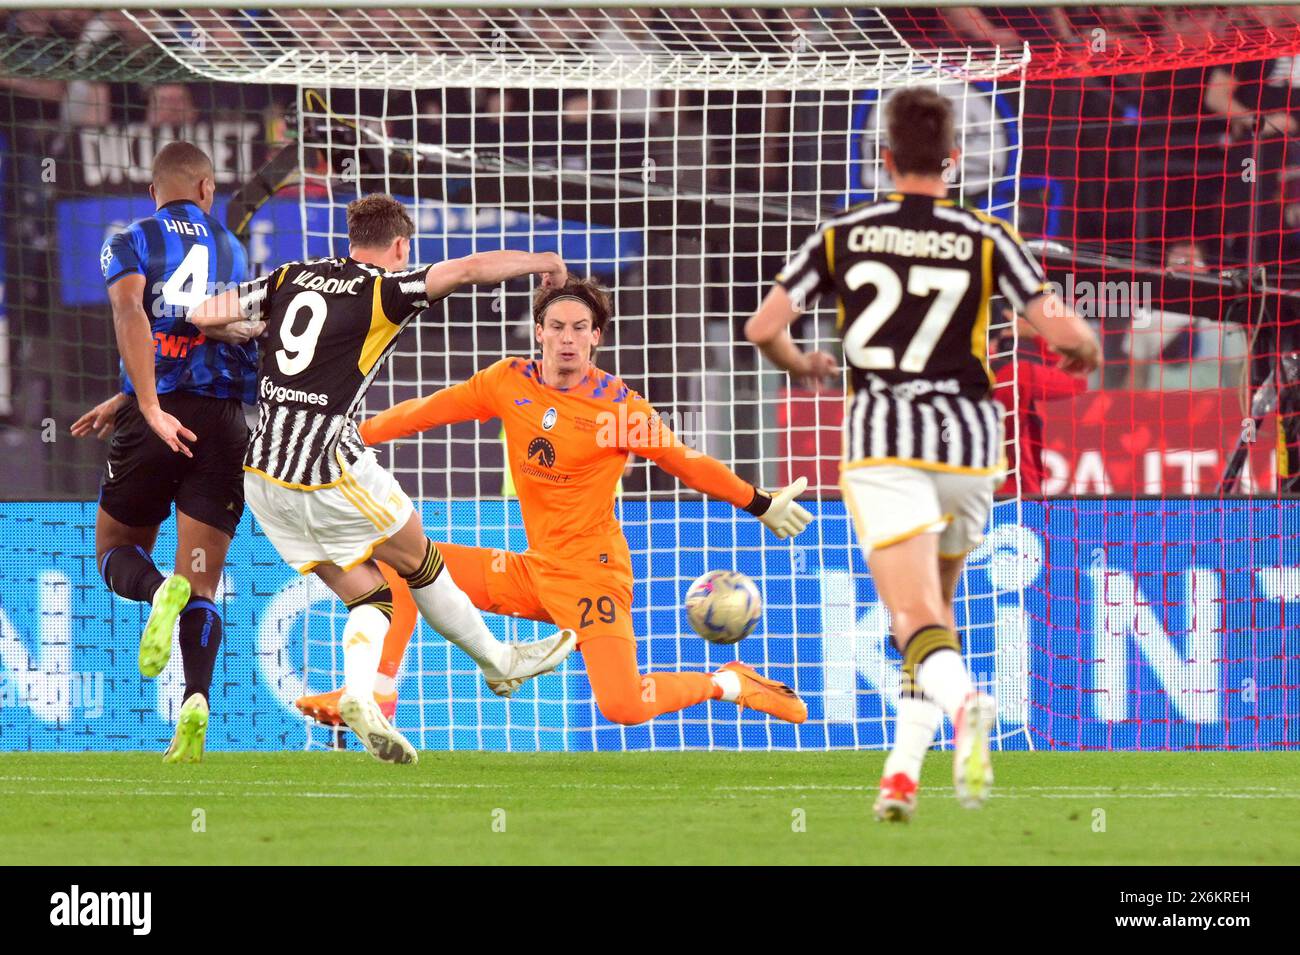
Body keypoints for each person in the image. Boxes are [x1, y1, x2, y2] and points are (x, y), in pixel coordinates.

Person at [744, 88, 1100, 821]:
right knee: (936, 610)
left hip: (886, 441)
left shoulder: (845, 232)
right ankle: (902, 774)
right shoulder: (986, 233)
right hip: (971, 446)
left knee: (910, 614)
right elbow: (1065, 334)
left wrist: (801, 360)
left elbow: (763, 325)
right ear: (953, 159)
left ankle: (968, 702)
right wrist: (1083, 350)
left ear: (882, 159)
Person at [296, 275, 814, 730]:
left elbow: (686, 462)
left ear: (596, 338)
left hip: (593, 576)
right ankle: (379, 693)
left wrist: (759, 502)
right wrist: (352, 434)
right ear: (539, 331)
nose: (568, 338)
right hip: (531, 569)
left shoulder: (619, 407)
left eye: (580, 328)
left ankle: (727, 682)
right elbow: (428, 411)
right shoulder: (506, 382)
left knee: (624, 706)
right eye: (558, 326)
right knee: (402, 562)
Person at [189, 194, 578, 763]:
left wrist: (251, 333)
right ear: (400, 246)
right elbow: (468, 270)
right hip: (325, 469)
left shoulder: (290, 276)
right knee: (419, 560)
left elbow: (203, 314)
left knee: (372, 595)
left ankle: (359, 694)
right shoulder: (385, 289)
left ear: (353, 238)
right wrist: (541, 259)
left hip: (263, 476)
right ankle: (499, 662)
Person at [77, 141, 263, 762]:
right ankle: (196, 699)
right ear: (206, 189)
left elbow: (133, 312)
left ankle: (157, 590)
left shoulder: (129, 238)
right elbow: (203, 331)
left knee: (114, 548)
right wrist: (127, 394)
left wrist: (144, 403)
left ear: (154, 189)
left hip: (163, 416)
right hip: (228, 419)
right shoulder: (231, 247)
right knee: (203, 581)